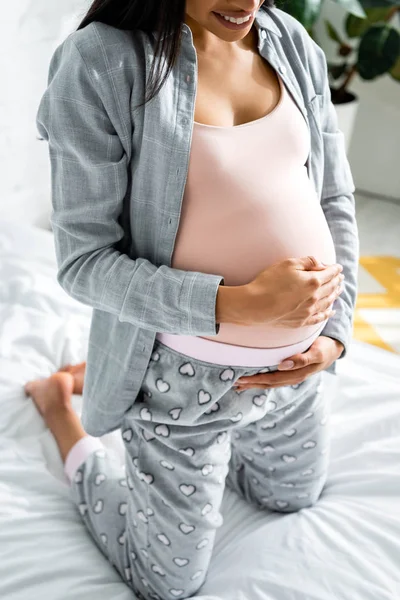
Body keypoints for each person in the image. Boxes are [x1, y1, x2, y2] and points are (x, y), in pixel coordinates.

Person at [27, 1, 358, 599]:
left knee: (291, 498)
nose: (247, 2)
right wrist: (237, 307)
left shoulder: (288, 41)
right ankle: (60, 409)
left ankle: (92, 376)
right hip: (182, 383)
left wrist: (334, 334)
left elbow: (335, 197)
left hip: (292, 374)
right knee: (167, 584)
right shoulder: (103, 63)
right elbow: (83, 264)